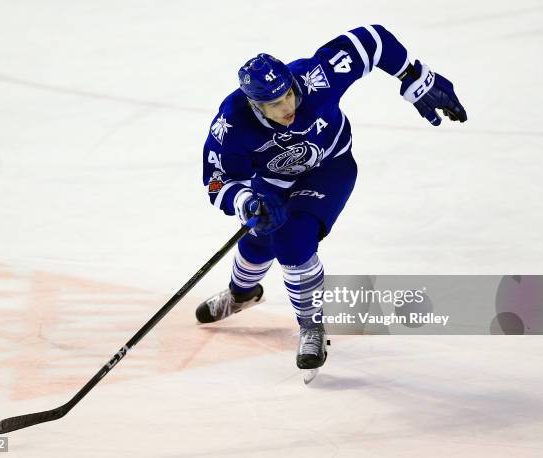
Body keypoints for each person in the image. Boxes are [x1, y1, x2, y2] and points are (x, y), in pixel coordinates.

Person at [197, 24, 467, 372]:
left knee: (293, 240)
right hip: (272, 180)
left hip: (331, 167)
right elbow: (219, 181)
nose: (287, 106)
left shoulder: (314, 78)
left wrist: (413, 75)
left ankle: (311, 326)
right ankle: (241, 294)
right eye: (275, 104)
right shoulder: (231, 124)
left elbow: (372, 40)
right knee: (258, 237)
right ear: (254, 104)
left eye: (288, 95)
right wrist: (246, 201)